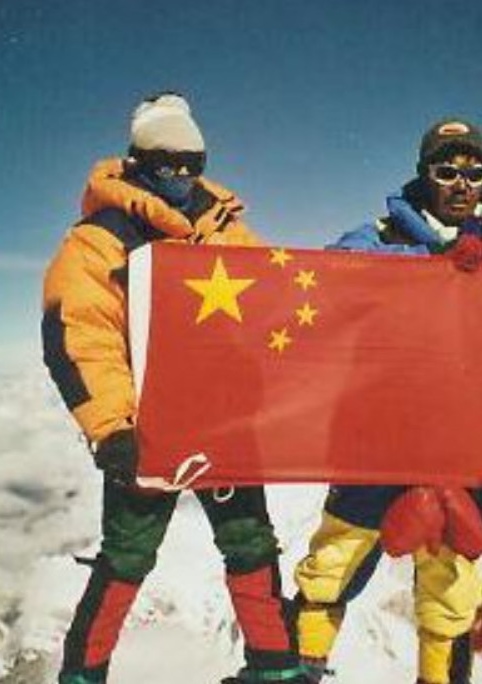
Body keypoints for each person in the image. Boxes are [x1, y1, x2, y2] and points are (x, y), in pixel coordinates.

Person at [292, 119, 482, 684]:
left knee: (450, 584)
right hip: (378, 439)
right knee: (332, 562)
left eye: (474, 171)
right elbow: (332, 277)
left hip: (465, 448)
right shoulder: (380, 239)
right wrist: (435, 266)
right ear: (424, 175)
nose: (461, 183)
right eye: (446, 170)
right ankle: (297, 670)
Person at [43, 93, 308, 684]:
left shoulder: (227, 230)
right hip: (146, 427)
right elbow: (80, 334)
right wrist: (112, 428)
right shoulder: (101, 238)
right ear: (138, 161)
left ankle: (275, 669)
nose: (183, 175)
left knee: (251, 544)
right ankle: (82, 676)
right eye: (168, 162)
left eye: (194, 162)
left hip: (225, 420)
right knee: (128, 555)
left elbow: (284, 297)